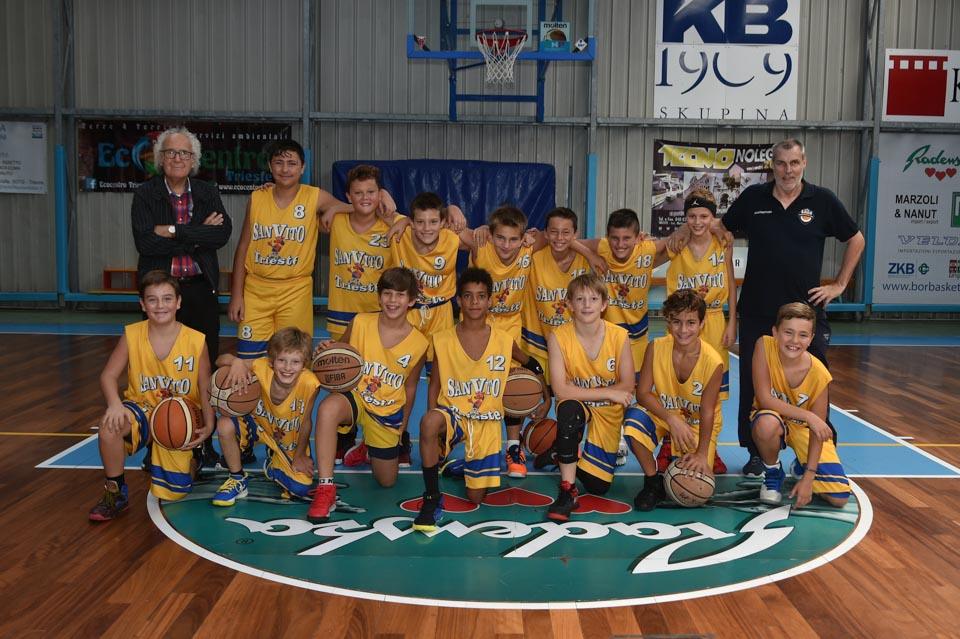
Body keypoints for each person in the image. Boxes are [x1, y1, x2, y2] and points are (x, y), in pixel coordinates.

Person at [669, 139, 865, 477]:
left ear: (804, 163)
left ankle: (815, 452)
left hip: (805, 312)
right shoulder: (754, 198)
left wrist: (839, 285)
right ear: (772, 165)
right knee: (752, 382)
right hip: (758, 309)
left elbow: (856, 239)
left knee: (815, 381)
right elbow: (718, 225)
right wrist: (686, 227)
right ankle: (757, 453)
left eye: (794, 163)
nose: (788, 170)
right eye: (781, 163)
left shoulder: (822, 200)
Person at [413, 268, 548, 532]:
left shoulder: (503, 340)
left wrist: (546, 396)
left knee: (475, 498)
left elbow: (532, 363)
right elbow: (435, 384)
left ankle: (462, 466)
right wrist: (434, 425)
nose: (474, 302)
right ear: (459, 300)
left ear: (490, 301)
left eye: (481, 296)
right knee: (428, 422)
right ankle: (431, 498)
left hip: (487, 421)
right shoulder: (442, 339)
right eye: (468, 296)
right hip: (453, 414)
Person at [131, 126, 230, 468]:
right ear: (160, 159)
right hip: (162, 297)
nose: (177, 158)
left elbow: (221, 234)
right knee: (159, 370)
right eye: (171, 152)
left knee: (204, 369)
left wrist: (173, 231)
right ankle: (156, 443)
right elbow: (145, 242)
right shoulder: (145, 194)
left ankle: (203, 444)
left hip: (200, 290)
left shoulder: (206, 191)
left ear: (194, 159)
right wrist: (197, 234)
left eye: (184, 153)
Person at [89, 271, 215, 521]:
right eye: (152, 299)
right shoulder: (132, 335)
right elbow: (108, 376)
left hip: (180, 417)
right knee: (109, 426)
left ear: (178, 302)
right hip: (143, 409)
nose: (160, 306)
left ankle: (194, 459)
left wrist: (209, 425)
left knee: (175, 493)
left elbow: (205, 386)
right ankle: (116, 492)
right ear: (143, 304)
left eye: (167, 298)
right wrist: (114, 404)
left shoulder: (196, 340)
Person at [308, 267, 429, 523]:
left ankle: (366, 448)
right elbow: (340, 353)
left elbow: (410, 387)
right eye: (387, 293)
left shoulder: (419, 343)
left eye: (400, 295)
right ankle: (326, 488)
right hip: (356, 397)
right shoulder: (361, 322)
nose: (393, 300)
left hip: (387, 410)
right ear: (379, 297)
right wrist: (326, 350)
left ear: (411, 301)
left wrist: (403, 427)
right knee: (327, 409)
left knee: (387, 481)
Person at [228, 139, 353, 360]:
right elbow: (243, 246)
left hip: (295, 291)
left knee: (294, 359)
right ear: (270, 166)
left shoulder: (315, 196)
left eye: (292, 163)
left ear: (302, 168)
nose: (285, 169)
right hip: (256, 290)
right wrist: (237, 294)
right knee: (249, 360)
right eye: (279, 162)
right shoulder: (257, 197)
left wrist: (334, 208)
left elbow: (359, 207)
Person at [544, 273, 635, 521]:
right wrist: (608, 391)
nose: (586, 305)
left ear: (604, 304)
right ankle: (567, 491)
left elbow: (627, 385)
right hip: (580, 406)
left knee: (598, 486)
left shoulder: (619, 336)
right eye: (580, 299)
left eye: (593, 299)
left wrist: (583, 391)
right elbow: (560, 391)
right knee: (568, 410)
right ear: (570, 304)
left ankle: (561, 450)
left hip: (607, 413)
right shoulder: (558, 337)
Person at [576, 208, 664, 467]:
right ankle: (597, 434)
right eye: (615, 238)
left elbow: (679, 239)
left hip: (636, 334)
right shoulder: (602, 247)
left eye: (627, 238)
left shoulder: (647, 250)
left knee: (627, 387)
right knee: (604, 383)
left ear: (638, 237)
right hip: (606, 333)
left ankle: (619, 435)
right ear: (607, 237)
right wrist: (590, 254)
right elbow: (568, 240)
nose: (620, 244)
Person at [623, 289, 723, 511]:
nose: (683, 330)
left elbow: (708, 411)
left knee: (694, 485)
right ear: (668, 321)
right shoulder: (656, 347)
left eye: (690, 322)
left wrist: (701, 454)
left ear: (702, 323)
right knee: (633, 422)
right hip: (665, 415)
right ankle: (652, 482)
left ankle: (697, 454)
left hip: (698, 424)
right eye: (677, 322)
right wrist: (671, 419)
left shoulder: (713, 362)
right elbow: (643, 394)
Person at [661, 189, 735, 475]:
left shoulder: (723, 242)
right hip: (682, 325)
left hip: (714, 321)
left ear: (713, 217)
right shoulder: (676, 244)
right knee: (675, 387)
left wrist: (732, 321)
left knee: (712, 393)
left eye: (704, 216)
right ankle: (670, 442)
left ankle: (709, 445)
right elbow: (646, 255)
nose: (697, 222)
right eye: (691, 216)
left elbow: (731, 283)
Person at [751, 302, 850, 508]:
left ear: (811, 338)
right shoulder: (764, 346)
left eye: (803, 335)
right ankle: (773, 472)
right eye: (788, 332)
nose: (794, 341)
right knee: (766, 423)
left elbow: (817, 431)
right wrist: (809, 416)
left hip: (804, 430)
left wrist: (809, 477)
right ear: (775, 332)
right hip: (773, 419)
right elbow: (764, 399)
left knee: (839, 498)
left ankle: (801, 466)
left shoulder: (819, 374)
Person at [210, 327, 320, 506]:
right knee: (225, 423)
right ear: (271, 361)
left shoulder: (310, 384)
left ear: (305, 364)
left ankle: (273, 462)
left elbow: (306, 421)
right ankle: (237, 478)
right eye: (281, 360)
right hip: (257, 425)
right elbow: (220, 360)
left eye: (295, 362)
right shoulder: (260, 366)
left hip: (287, 437)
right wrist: (237, 362)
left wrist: (300, 455)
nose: (287, 368)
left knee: (299, 488)